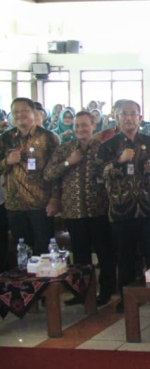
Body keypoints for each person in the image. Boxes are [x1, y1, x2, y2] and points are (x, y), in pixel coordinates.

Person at [96, 100, 150, 313]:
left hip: (149, 207)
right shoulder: (108, 146)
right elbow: (100, 174)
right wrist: (119, 161)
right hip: (122, 209)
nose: (129, 118)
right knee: (125, 258)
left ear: (140, 117)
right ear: (116, 117)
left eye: (133, 113)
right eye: (124, 114)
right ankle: (127, 299)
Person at [44, 111, 115, 305]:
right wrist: (69, 162)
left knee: (104, 253)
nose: (80, 129)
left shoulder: (104, 148)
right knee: (80, 255)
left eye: (84, 125)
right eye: (77, 126)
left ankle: (106, 291)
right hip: (74, 210)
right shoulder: (65, 149)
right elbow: (48, 174)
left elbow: (113, 172)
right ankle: (82, 292)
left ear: (93, 126)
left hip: (99, 209)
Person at [0, 98, 60, 256]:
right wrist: (7, 161)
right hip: (14, 205)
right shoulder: (5, 138)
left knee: (44, 252)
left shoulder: (48, 137)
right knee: (23, 253)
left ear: (34, 113)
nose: (20, 115)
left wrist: (55, 199)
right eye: (16, 112)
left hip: (41, 203)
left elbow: (57, 171)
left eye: (24, 111)